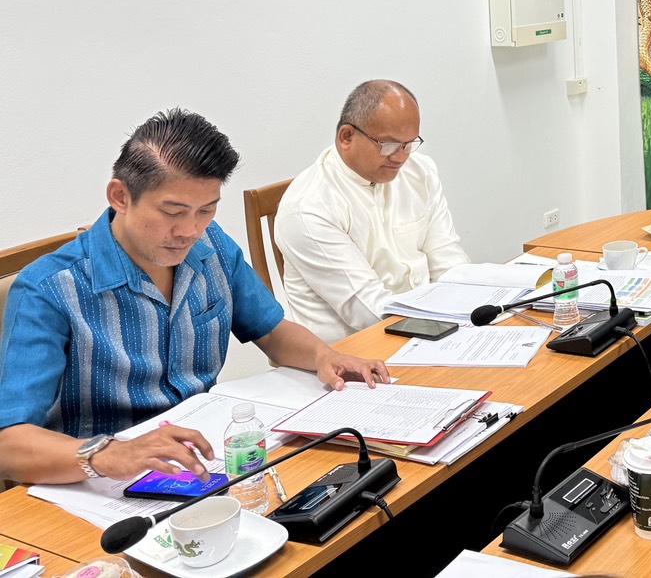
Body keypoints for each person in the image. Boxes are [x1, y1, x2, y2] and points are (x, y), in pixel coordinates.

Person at [0, 110, 389, 486]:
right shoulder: (49, 289)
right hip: (99, 483)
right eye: (173, 211)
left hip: (204, 461)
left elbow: (271, 332)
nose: (189, 230)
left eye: (206, 210)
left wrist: (326, 357)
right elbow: (8, 445)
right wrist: (108, 454)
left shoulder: (211, 246)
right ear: (120, 196)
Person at [276, 80, 468, 342]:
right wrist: (450, 329)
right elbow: (367, 309)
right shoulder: (309, 207)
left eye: (408, 144)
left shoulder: (419, 172)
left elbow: (448, 261)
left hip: (428, 332)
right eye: (388, 145)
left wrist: (471, 310)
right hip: (352, 356)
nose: (400, 157)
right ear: (347, 137)